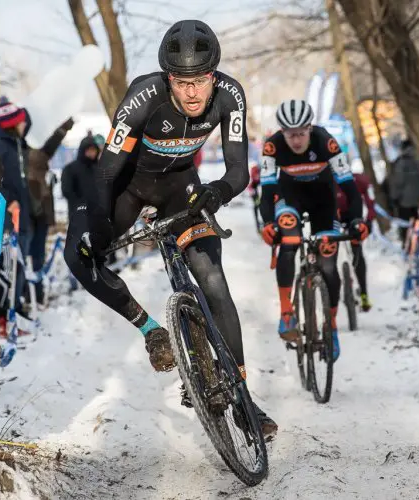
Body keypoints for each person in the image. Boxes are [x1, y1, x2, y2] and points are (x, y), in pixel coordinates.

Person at [62, 20, 277, 437]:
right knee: (78, 254)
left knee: (213, 282)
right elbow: (105, 172)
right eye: (182, 82)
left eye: (201, 81)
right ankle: (150, 330)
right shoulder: (143, 96)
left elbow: (238, 170)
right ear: (168, 79)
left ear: (214, 76)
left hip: (182, 187)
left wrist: (217, 192)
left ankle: (243, 400)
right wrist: (100, 225)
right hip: (127, 186)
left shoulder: (230, 95)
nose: (193, 92)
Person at [259, 99, 368, 361]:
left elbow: (350, 188)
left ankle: (330, 325)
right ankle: (287, 313)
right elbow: (267, 192)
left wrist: (355, 220)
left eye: (301, 133)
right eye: (290, 134)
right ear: (282, 132)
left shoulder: (326, 142)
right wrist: (267, 223)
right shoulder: (273, 146)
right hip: (290, 198)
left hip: (323, 201)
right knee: (289, 239)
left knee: (328, 262)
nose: (296, 140)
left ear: (310, 128)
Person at [0, 97, 33, 322]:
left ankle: (15, 309)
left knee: (19, 267)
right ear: (13, 124)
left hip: (21, 218)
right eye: (21, 122)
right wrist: (11, 199)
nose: (25, 125)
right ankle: (0, 315)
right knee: (5, 269)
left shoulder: (16, 145)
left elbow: (28, 120)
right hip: (5, 218)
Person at [28, 118, 74, 307]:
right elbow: (49, 147)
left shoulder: (35, 156)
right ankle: (31, 295)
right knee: (30, 256)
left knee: (36, 256)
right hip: (27, 213)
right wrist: (62, 130)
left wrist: (62, 129)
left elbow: (50, 146)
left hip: (39, 212)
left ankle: (36, 295)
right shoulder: (25, 155)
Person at [335, 169, 375, 312]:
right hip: (334, 217)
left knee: (357, 250)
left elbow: (370, 201)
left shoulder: (358, 180)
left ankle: (364, 293)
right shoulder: (326, 179)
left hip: (354, 216)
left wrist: (369, 220)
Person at [389, 138, 419, 246]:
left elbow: (398, 182)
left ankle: (407, 244)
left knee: (405, 223)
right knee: (416, 220)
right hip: (416, 199)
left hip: (403, 200)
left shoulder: (401, 163)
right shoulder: (416, 162)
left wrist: (394, 198)